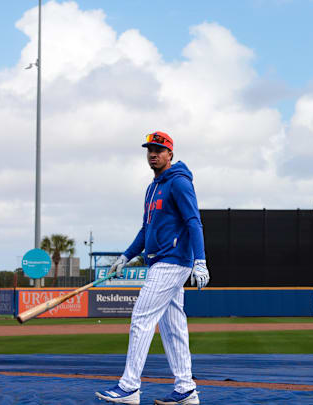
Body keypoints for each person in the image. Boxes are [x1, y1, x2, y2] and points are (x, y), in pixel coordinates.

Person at [95, 131, 209, 405]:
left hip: (173, 261)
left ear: (170, 153)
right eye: (150, 150)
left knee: (141, 317)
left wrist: (200, 260)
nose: (153, 154)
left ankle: (129, 386)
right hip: (158, 260)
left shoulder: (179, 183)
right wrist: (126, 256)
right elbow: (146, 230)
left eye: (159, 150)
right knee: (173, 328)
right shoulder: (152, 187)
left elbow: (194, 222)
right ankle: (185, 389)